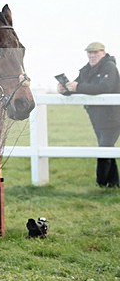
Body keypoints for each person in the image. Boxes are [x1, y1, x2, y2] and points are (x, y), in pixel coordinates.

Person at [57, 42, 120, 187]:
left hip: (113, 116)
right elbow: (76, 86)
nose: (92, 55)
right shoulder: (86, 70)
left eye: (95, 53)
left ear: (103, 53)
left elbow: (105, 87)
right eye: (89, 53)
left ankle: (102, 182)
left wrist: (78, 87)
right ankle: (114, 183)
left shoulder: (109, 67)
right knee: (107, 147)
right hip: (97, 117)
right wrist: (64, 89)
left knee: (105, 147)